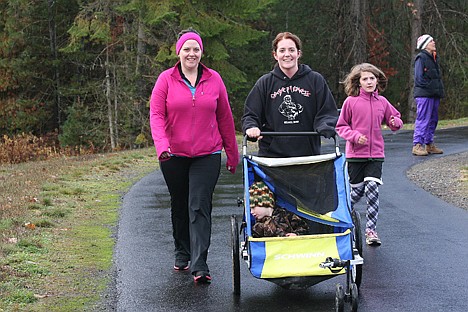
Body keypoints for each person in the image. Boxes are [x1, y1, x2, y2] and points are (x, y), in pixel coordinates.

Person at [149, 27, 239, 284]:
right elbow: (156, 116)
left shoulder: (214, 79)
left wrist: (231, 154)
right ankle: (182, 251)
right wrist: (162, 145)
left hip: (207, 153)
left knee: (199, 205)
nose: (192, 53)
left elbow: (225, 118)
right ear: (178, 52)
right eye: (187, 49)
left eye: (196, 49)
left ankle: (200, 263)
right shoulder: (165, 80)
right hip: (173, 154)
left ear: (201, 52)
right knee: (180, 203)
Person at [336, 63, 403, 246]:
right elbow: (341, 127)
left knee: (372, 187)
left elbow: (396, 121)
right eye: (365, 79)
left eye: (372, 78)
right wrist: (356, 136)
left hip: (376, 155)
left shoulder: (382, 102)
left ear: (377, 80)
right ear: (358, 82)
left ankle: (371, 230)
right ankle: (339, 217)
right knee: (356, 192)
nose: (369, 81)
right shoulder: (351, 102)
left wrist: (394, 121)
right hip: (356, 155)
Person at [241, 32, 338, 157]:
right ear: (275, 55)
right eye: (282, 50)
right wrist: (251, 127)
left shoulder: (315, 80)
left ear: (298, 53)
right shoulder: (264, 83)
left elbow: (327, 111)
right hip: (272, 157)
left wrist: (325, 126)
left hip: (308, 156)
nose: (287, 54)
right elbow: (251, 115)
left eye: (291, 50)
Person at [412, 34, 445, 156]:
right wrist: (431, 86)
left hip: (434, 93)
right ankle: (417, 145)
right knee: (423, 119)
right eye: (431, 41)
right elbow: (419, 78)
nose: (434, 42)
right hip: (425, 94)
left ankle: (429, 144)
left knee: (433, 120)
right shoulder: (421, 58)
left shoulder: (434, 57)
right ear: (425, 44)